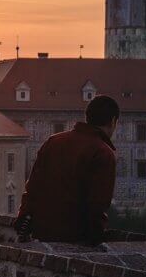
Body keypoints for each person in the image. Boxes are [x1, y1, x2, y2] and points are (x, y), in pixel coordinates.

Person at [14, 94, 119, 245]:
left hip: (41, 235)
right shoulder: (103, 152)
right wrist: (95, 240)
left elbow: (33, 188)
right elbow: (97, 204)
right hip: (75, 238)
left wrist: (23, 221)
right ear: (113, 121)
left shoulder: (53, 141)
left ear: (87, 117)